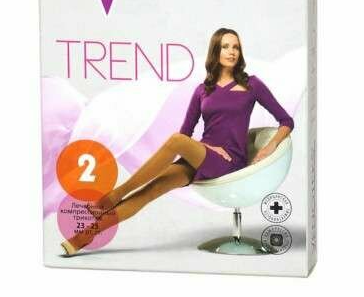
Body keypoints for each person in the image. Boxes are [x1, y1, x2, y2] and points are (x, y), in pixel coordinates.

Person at [60, 27, 294, 256]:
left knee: (175, 140)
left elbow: (286, 121)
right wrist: (206, 147)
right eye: (225, 46)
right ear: (216, 51)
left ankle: (114, 195)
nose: (232, 51)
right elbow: (186, 132)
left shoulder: (252, 85)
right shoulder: (202, 90)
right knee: (150, 191)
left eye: (236, 47)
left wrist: (270, 146)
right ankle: (84, 236)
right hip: (202, 157)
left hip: (228, 161)